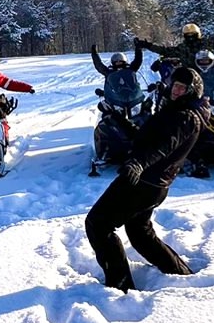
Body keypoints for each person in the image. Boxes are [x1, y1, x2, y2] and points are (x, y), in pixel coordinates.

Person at [84, 64, 207, 292]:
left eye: (182, 87)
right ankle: (181, 274)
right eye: (175, 85)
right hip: (151, 184)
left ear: (192, 90)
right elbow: (144, 137)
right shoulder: (174, 110)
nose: (176, 90)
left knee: (98, 225)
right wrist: (117, 118)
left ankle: (120, 287)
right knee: (139, 231)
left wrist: (138, 163)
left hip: (143, 182)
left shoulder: (185, 116)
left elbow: (162, 147)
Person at [135, 18, 214, 69]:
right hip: (190, 78)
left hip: (209, 75)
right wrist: (148, 45)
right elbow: (165, 51)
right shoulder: (183, 48)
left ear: (197, 34)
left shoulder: (206, 43)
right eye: (188, 36)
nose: (190, 38)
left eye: (192, 35)